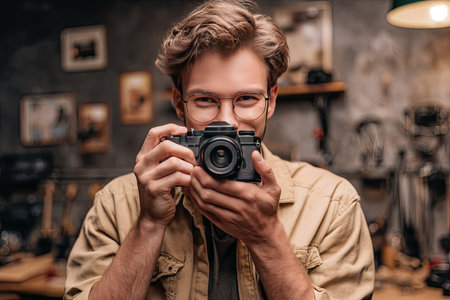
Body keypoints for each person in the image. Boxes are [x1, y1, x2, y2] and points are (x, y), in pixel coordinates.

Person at [65, 1, 375, 299]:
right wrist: (148, 224)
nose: (226, 122)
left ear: (271, 100)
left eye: (246, 99)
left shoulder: (331, 205)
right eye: (205, 100)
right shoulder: (117, 205)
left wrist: (266, 238)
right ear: (178, 103)